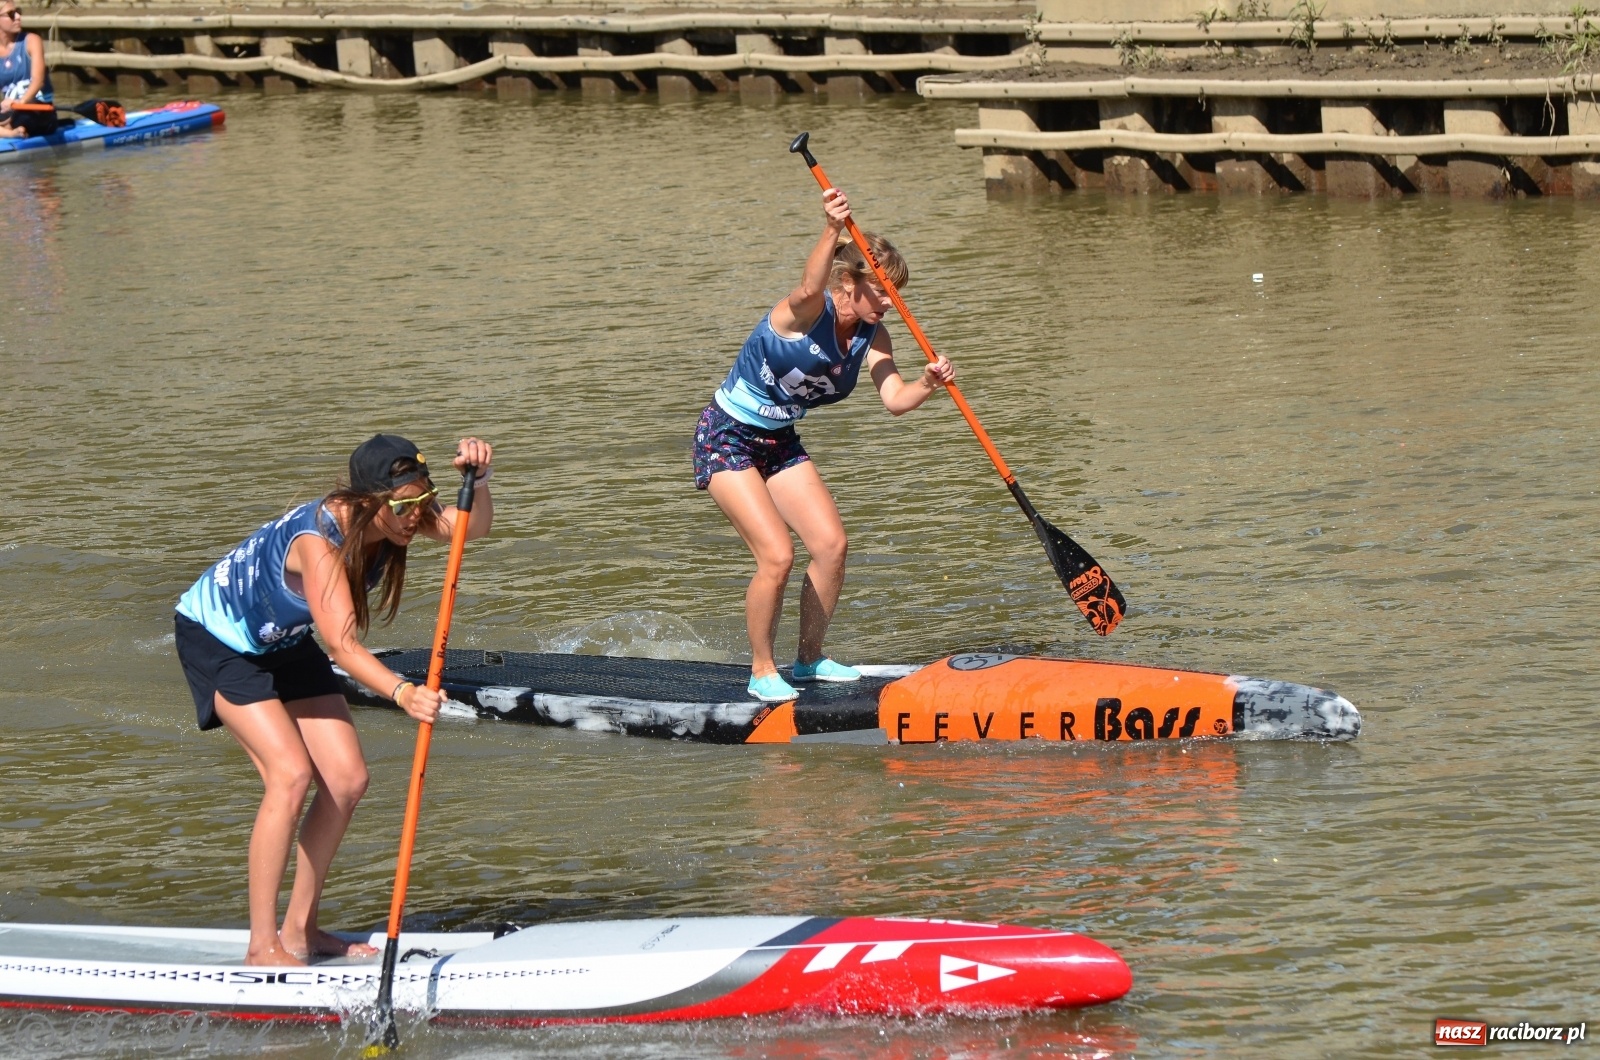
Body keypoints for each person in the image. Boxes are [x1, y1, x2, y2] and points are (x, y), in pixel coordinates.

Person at [174, 433, 494, 966]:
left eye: (422, 501)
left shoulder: (401, 510)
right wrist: (402, 692)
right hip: (218, 641)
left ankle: (301, 932)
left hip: (282, 639)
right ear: (369, 501)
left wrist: (478, 480)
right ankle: (261, 946)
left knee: (346, 780)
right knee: (291, 775)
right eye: (405, 506)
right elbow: (343, 646)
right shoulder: (317, 541)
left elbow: (470, 527)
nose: (417, 515)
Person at [695, 186, 955, 703]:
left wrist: (929, 382)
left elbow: (895, 399)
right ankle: (761, 669)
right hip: (727, 436)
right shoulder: (804, 311)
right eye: (880, 290)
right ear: (847, 281)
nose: (889, 302)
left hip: (779, 440)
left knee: (832, 547)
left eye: (895, 293)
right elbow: (807, 284)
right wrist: (832, 226)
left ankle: (809, 659)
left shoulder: (871, 334)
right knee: (777, 556)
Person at [0, 2, 56, 139]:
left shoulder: (31, 41)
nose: (18, 17)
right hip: (12, 112)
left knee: (16, 119)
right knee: (9, 120)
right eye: (11, 14)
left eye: (18, 12)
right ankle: (12, 133)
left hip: (38, 109)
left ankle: (9, 131)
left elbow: (38, 81)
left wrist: (20, 102)